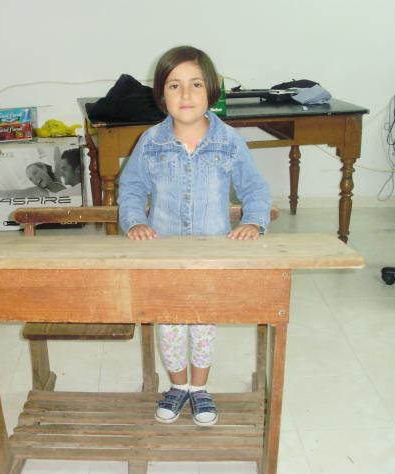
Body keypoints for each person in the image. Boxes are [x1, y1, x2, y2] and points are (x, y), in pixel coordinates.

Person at [118, 46, 271, 427]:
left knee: (203, 323)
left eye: (196, 84)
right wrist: (135, 222)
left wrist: (253, 222)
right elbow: (131, 188)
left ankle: (200, 389)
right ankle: (178, 386)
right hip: (163, 255)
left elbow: (255, 188)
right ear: (161, 93)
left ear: (211, 91)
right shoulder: (150, 142)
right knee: (170, 324)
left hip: (210, 255)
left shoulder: (228, 141)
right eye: (174, 85)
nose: (185, 95)